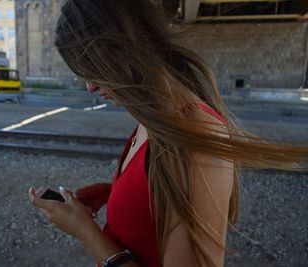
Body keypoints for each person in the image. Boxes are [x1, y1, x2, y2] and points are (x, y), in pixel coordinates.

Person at [28, 1, 307, 266]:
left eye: (92, 68)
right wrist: (114, 194)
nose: (88, 86)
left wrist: (85, 230)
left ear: (124, 48)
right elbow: (160, 200)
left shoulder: (193, 143)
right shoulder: (156, 119)